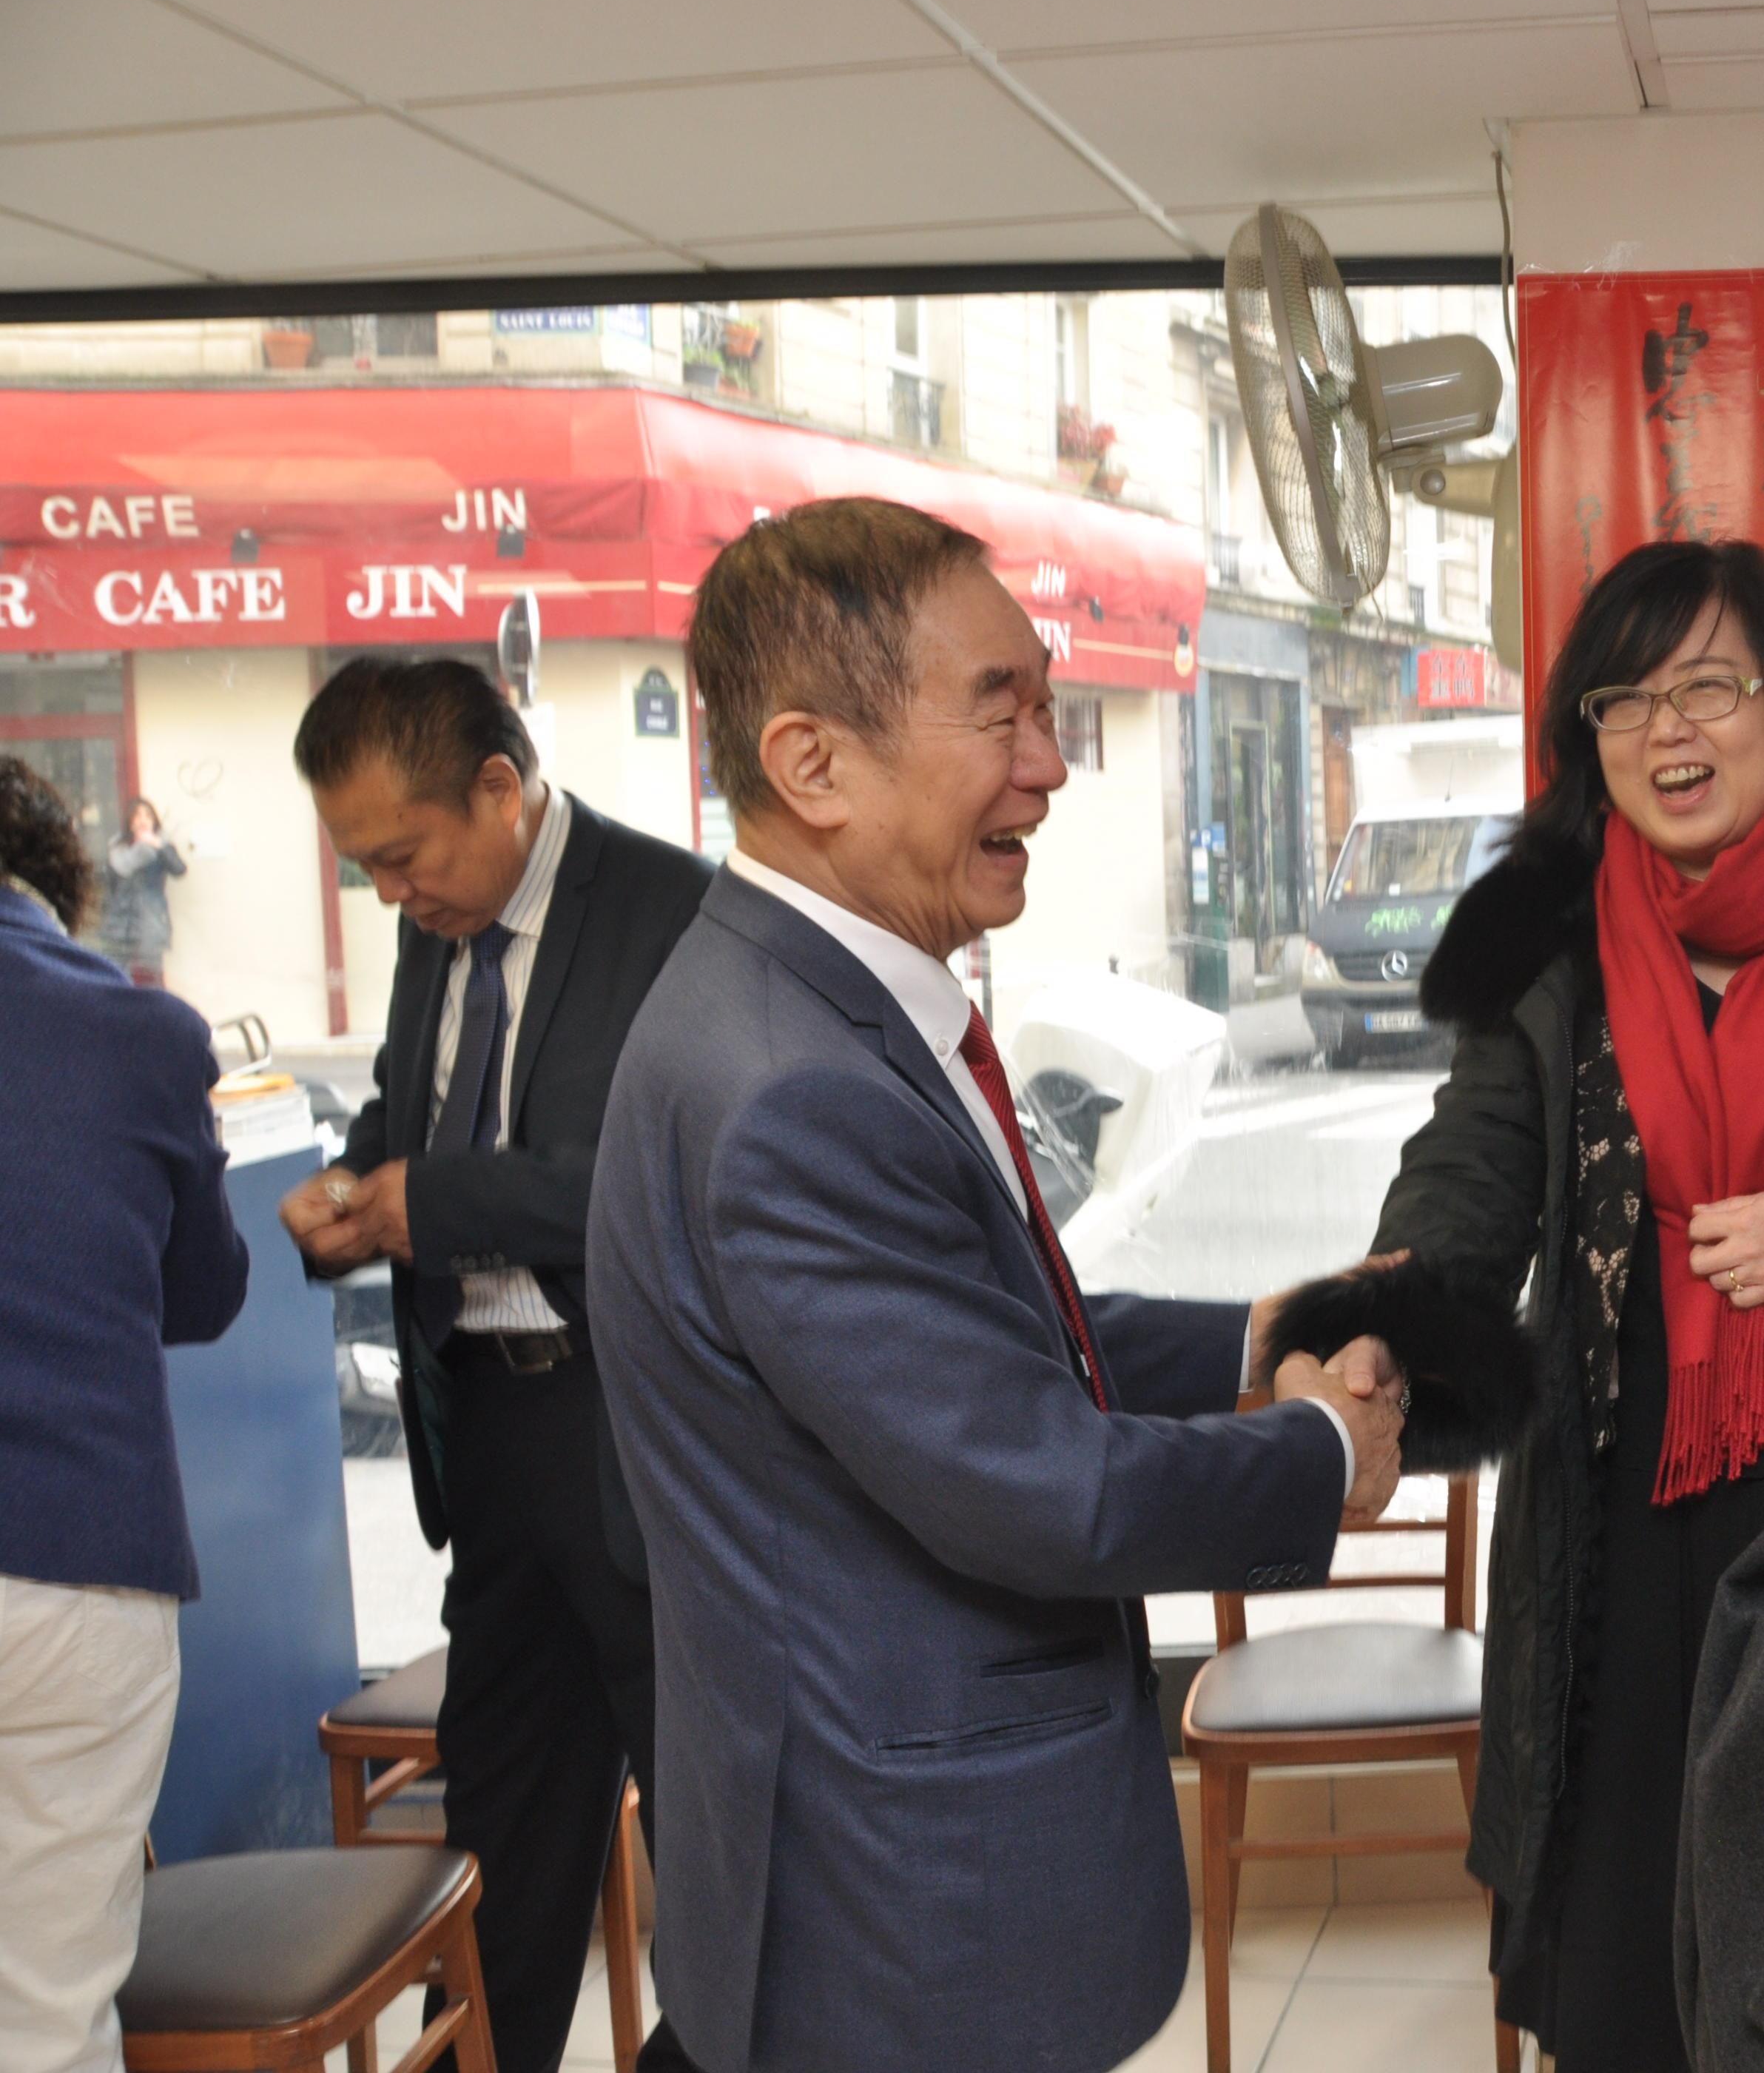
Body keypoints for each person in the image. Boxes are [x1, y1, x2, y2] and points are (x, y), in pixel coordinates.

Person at [585, 497, 1406, 2073]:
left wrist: (1256, 1337)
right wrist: (1319, 1450)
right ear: (813, 763)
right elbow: (1039, 1486)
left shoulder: (806, 1003)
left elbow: (978, 1331)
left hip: (876, 1876)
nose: (1047, 764)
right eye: (998, 711)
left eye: (1046, 706)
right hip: (903, 1912)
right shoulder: (792, 1087)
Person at [1259, 537, 1764, 2072]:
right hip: (1619, 1528)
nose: (1665, 730)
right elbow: (1466, 1174)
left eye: (1706, 685)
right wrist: (1382, 1318)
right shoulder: (1552, 937)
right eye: (1623, 699)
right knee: (1631, 1971)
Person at [273, 656, 710, 2073]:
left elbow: (670, 1178)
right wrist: (354, 1187)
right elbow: (416, 1108)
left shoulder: (671, 911)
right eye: (364, 867)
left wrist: (437, 1202)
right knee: (506, 1830)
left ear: (499, 788)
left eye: (404, 855)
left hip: (640, 1432)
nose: (390, 893)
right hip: (494, 1434)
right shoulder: (439, 925)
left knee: (712, 1831)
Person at [0, 756, 247, 2073]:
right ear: (62, 880)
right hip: (74, 1563)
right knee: (48, 2011)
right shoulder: (142, 1033)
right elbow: (203, 1293)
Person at [98, 797, 184, 990]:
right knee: (115, 975)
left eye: (148, 816)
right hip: (119, 921)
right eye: (137, 816)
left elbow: (179, 869)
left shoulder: (162, 846)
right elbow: (108, 883)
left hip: (150, 920)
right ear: (130, 822)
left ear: (155, 821)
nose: (143, 820)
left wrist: (158, 846)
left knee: (150, 977)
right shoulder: (118, 849)